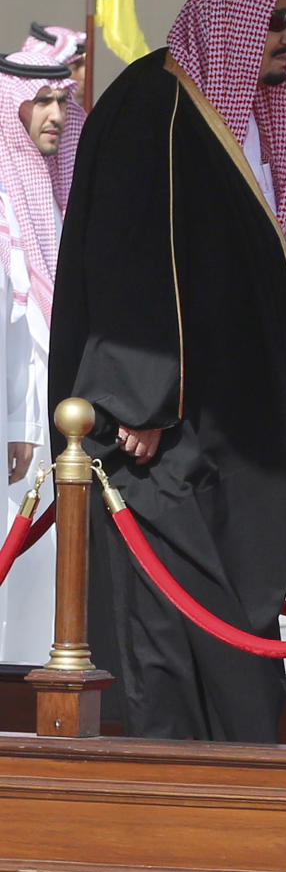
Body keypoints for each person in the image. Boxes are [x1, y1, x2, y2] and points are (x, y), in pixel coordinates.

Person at [49, 0, 286, 741]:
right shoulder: (154, 105)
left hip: (229, 425)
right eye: (274, 23)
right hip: (162, 434)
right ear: (224, 23)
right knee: (161, 630)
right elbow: (128, 256)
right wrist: (141, 394)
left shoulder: (236, 119)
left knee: (233, 604)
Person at [0, 43, 85, 663]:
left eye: (62, 100)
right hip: (15, 431)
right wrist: (19, 425)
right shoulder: (6, 198)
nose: (56, 113)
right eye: (42, 101)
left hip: (49, 425)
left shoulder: (50, 194)